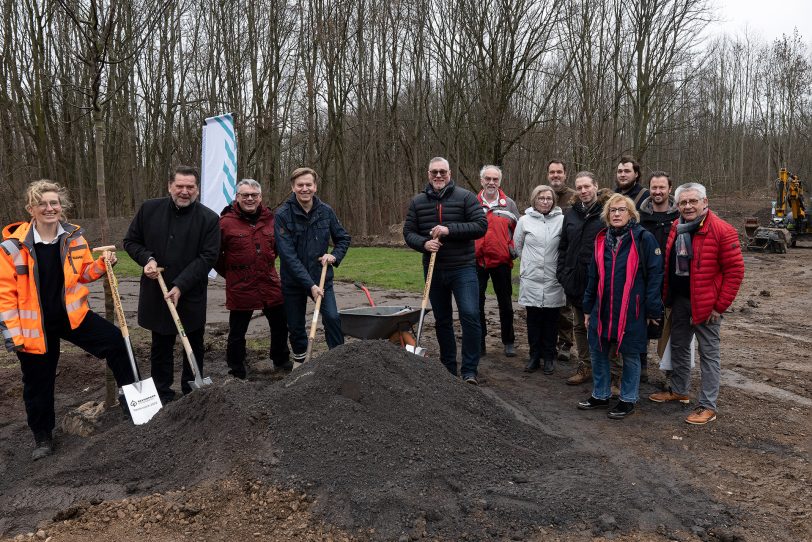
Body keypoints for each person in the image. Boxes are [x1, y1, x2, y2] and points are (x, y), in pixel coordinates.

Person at [1, 180, 136, 460]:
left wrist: (101, 265)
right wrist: (13, 336)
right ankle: (43, 437)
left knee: (117, 341)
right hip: (34, 327)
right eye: (43, 204)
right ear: (31, 209)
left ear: (61, 207)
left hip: (72, 317)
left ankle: (132, 402)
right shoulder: (12, 248)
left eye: (54, 203)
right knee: (38, 383)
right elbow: (5, 296)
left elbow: (84, 273)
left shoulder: (74, 238)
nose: (50, 208)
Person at [649, 182, 744, 425]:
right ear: (677, 205)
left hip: (708, 305)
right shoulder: (677, 226)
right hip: (681, 301)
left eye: (693, 201)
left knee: (709, 355)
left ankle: (707, 405)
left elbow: (735, 272)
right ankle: (679, 390)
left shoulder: (723, 230)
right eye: (683, 202)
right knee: (679, 346)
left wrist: (719, 306)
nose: (688, 206)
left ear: (705, 203)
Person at [124, 165, 220, 404]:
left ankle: (192, 392)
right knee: (161, 344)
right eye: (180, 186)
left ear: (197, 189)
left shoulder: (209, 219)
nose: (184, 191)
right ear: (170, 186)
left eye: (190, 187)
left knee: (194, 341)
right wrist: (147, 259)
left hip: (190, 292)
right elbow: (131, 241)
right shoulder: (149, 210)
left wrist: (180, 285)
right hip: (157, 291)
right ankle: (161, 392)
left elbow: (208, 257)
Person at [577, 194, 663, 419]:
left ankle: (627, 399)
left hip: (632, 308)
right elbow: (592, 277)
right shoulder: (601, 239)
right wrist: (588, 307)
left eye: (621, 210)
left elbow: (655, 275)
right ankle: (601, 394)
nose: (616, 214)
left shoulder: (643, 238)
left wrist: (653, 310)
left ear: (631, 214)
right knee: (598, 351)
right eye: (612, 210)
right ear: (607, 215)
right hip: (602, 307)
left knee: (631, 354)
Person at [403, 156, 487, 384]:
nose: (438, 176)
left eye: (442, 172)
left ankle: (469, 370)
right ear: (428, 174)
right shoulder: (418, 202)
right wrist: (424, 244)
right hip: (434, 269)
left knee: (470, 315)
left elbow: (480, 226)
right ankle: (448, 367)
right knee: (442, 320)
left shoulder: (465, 197)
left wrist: (449, 229)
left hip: (463, 269)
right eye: (434, 172)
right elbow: (408, 232)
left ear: (449, 173)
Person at [274, 167, 351, 363]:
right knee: (296, 326)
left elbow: (343, 238)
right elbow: (288, 256)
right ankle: (301, 362)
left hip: (322, 276)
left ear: (315, 187)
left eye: (309, 184)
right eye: (300, 185)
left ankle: (338, 359)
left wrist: (334, 256)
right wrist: (310, 285)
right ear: (293, 188)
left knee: (332, 318)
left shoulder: (326, 211)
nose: (305, 188)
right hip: (294, 281)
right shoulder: (283, 215)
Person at [215, 179, 290, 379]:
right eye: (245, 195)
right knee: (238, 331)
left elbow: (276, 249)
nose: (250, 199)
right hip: (241, 285)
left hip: (269, 282)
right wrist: (232, 273)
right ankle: (237, 368)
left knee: (281, 324)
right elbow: (215, 256)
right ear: (237, 197)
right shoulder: (225, 223)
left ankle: (281, 360)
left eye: (254, 195)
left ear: (260, 198)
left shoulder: (271, 220)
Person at [557, 172, 611, 385]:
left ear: (596, 186)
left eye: (587, 186)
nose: (583, 191)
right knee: (579, 326)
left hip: (600, 280)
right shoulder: (571, 213)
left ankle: (610, 373)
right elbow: (563, 245)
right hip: (575, 279)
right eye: (579, 187)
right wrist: (562, 272)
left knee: (603, 327)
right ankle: (585, 365)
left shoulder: (606, 212)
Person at [513, 185, 565, 374]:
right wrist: (531, 264)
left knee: (551, 321)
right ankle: (534, 356)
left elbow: (564, 247)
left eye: (548, 198)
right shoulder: (524, 220)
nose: (545, 201)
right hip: (532, 278)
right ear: (534, 200)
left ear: (553, 201)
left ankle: (549, 357)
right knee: (533, 319)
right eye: (541, 198)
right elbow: (518, 247)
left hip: (553, 278)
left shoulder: (561, 220)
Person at [638, 171, 679, 384]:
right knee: (642, 327)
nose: (658, 191)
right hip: (644, 281)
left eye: (662, 187)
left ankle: (669, 373)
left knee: (669, 330)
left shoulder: (679, 217)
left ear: (669, 189)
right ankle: (641, 367)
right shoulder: (640, 218)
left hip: (672, 282)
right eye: (654, 187)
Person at [474, 164, 520, 357]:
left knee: (505, 304)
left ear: (500, 182)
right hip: (477, 262)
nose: (491, 182)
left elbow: (519, 231)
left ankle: (508, 341)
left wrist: (512, 251)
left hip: (502, 262)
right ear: (482, 180)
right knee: (476, 303)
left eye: (495, 179)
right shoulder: (471, 203)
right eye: (488, 179)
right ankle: (480, 341)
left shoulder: (509, 204)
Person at [547, 159, 576, 361]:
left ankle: (566, 343)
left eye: (559, 172)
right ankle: (548, 341)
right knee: (547, 303)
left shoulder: (573, 197)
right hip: (546, 256)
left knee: (565, 305)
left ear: (565, 174)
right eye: (552, 172)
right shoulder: (543, 195)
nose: (555, 175)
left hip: (567, 257)